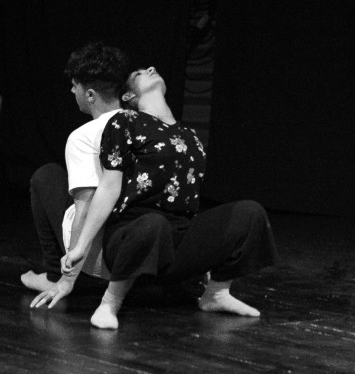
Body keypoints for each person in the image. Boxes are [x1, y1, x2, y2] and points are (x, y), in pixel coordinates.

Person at [31, 66, 279, 330]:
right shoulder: (125, 121)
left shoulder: (190, 135)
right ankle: (109, 303)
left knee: (250, 213)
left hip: (175, 239)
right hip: (130, 234)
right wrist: (80, 248)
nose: (150, 69)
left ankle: (216, 293)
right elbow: (109, 187)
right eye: (140, 73)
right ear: (128, 96)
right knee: (153, 223)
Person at [21, 41, 130, 296]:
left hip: (97, 262)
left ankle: (53, 274)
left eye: (74, 85)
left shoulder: (84, 136)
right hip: (134, 255)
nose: (72, 91)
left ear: (90, 95)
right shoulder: (145, 126)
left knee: (46, 175)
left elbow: (86, 208)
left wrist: (68, 278)